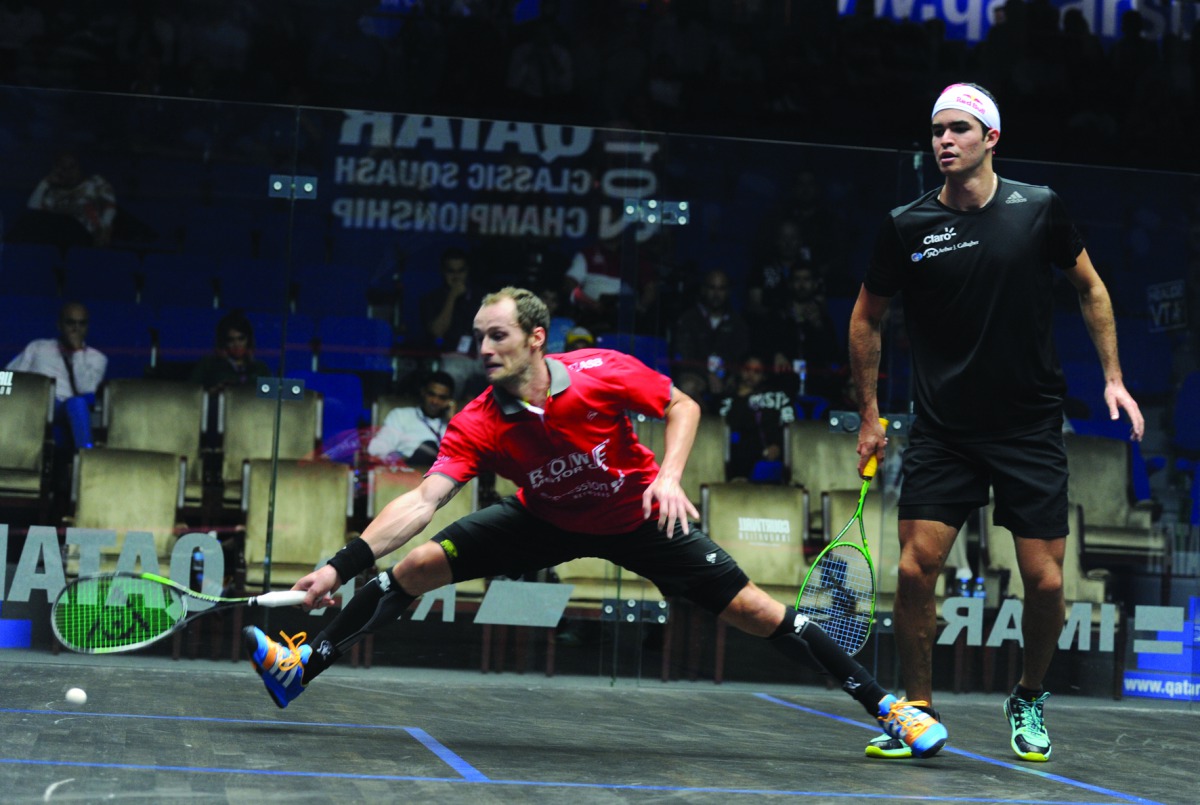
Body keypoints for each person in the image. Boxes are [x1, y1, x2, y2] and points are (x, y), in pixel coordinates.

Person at [243, 286, 947, 759]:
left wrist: (668, 476)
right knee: (418, 565)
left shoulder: (602, 371)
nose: (483, 348)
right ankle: (303, 664)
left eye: (497, 335)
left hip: (637, 514)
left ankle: (890, 708)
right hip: (542, 518)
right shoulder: (477, 420)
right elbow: (424, 499)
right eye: (478, 337)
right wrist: (340, 565)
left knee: (758, 611)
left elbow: (682, 405)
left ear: (536, 338)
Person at [848, 83, 1145, 763]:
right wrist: (869, 413)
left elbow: (1091, 287)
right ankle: (917, 710)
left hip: (1028, 428)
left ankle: (1030, 693)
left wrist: (1115, 378)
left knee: (1044, 583)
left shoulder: (1037, 209)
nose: (943, 141)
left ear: (991, 139)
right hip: (944, 430)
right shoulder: (907, 224)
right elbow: (867, 316)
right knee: (918, 568)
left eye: (957, 129)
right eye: (935, 131)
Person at [6, 301, 107, 510]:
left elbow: (85, 387)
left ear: (87, 327)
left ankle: (86, 467)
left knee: (77, 403)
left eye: (81, 324)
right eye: (70, 323)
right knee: (49, 399)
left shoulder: (96, 359)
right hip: (37, 407)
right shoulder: (38, 347)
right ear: (60, 324)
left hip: (70, 410)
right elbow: (8, 377)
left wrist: (77, 351)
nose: (76, 329)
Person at [669, 269, 749, 412]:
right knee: (687, 386)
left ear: (728, 291)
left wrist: (729, 375)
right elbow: (683, 356)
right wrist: (708, 374)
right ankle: (707, 424)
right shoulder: (689, 319)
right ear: (704, 290)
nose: (716, 294)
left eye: (721, 288)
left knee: (748, 386)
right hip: (698, 375)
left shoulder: (738, 323)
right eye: (712, 288)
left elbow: (742, 355)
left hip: (728, 376)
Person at [420, 247, 487, 401]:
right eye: (451, 271)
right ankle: (448, 417)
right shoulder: (432, 299)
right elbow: (437, 331)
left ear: (467, 271)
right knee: (451, 373)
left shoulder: (482, 296)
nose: (456, 276)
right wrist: (452, 296)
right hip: (453, 357)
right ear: (443, 272)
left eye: (461, 271)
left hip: (482, 354)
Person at [717, 354, 794, 483]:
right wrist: (740, 399)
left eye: (756, 372)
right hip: (741, 455)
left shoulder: (778, 396)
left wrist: (779, 445)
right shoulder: (728, 398)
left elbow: (790, 424)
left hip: (775, 455)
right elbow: (726, 428)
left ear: (764, 375)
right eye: (747, 370)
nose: (750, 375)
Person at [366, 370, 456, 468]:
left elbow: (463, 458)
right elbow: (377, 448)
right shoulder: (401, 416)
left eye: (441, 398)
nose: (434, 401)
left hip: (441, 475)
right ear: (423, 392)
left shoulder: (452, 426)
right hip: (408, 471)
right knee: (429, 446)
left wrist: (453, 422)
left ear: (449, 400)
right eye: (431, 394)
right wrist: (400, 458)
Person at [189, 310, 269, 392]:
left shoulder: (260, 368)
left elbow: (272, 398)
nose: (237, 344)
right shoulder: (208, 365)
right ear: (223, 342)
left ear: (249, 340)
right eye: (230, 340)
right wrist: (213, 392)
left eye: (241, 338)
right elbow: (190, 393)